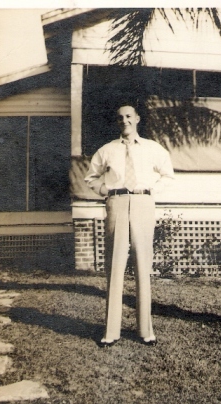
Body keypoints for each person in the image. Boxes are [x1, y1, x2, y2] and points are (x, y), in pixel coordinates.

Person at [85, 100, 174, 347]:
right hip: (117, 203)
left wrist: (152, 190)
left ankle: (145, 330)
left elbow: (168, 174)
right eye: (120, 117)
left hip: (143, 203)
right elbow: (90, 177)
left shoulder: (152, 148)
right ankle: (111, 332)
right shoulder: (107, 150)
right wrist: (104, 190)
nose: (124, 120)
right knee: (115, 264)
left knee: (143, 264)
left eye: (128, 116)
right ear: (117, 122)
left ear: (136, 119)